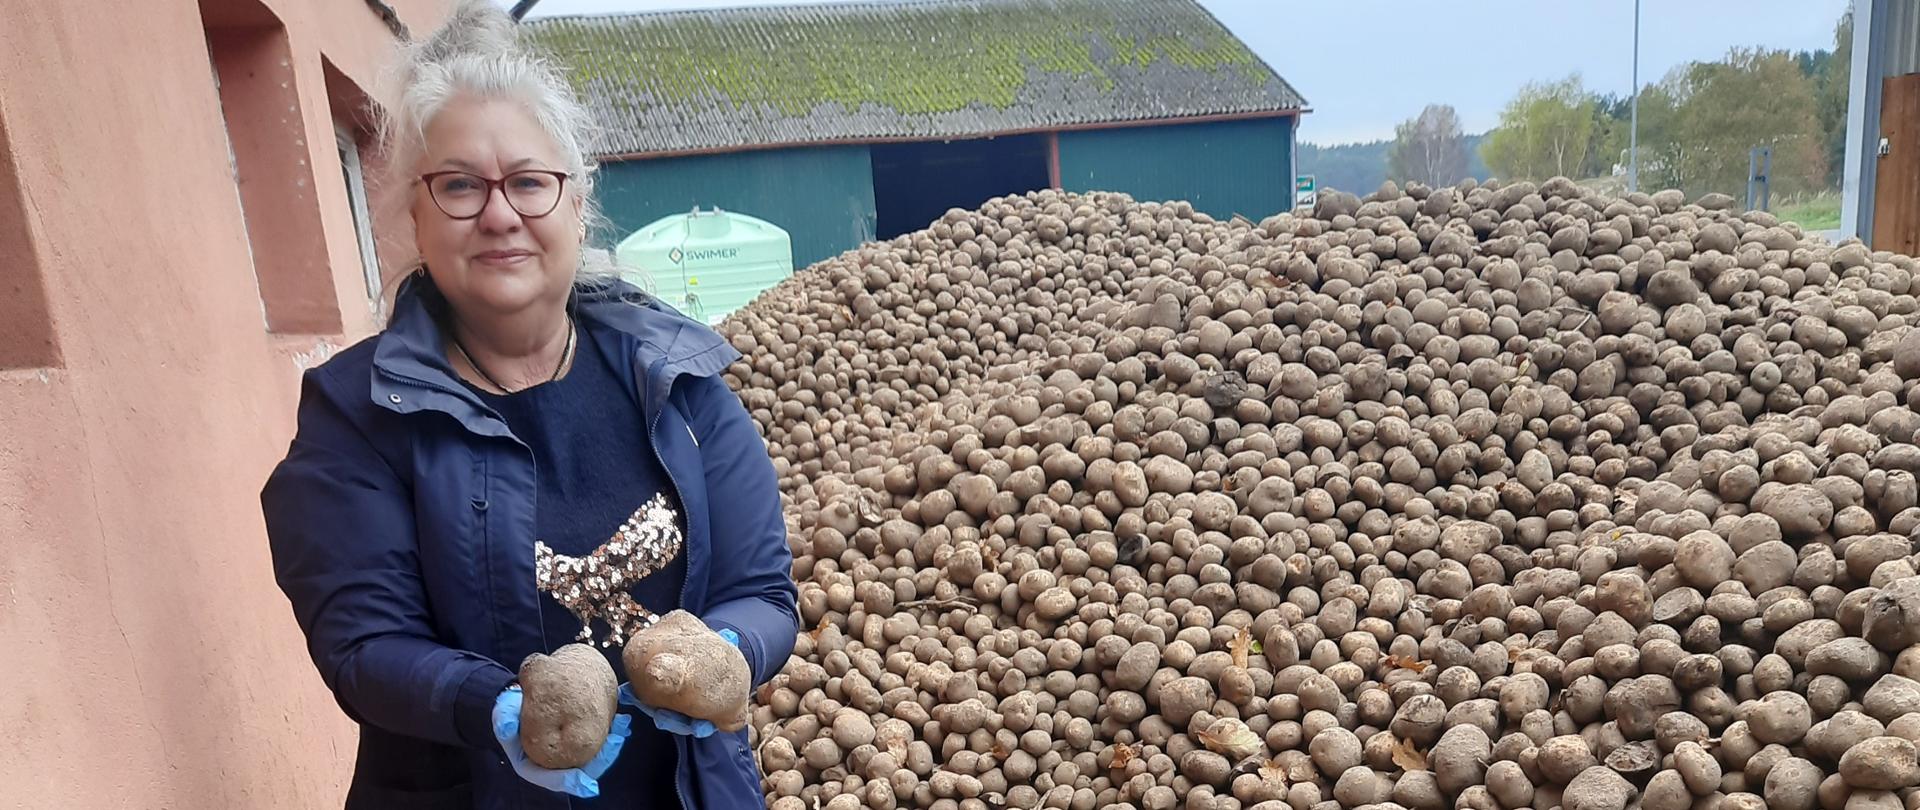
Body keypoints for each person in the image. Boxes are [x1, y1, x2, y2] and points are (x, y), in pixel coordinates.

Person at [259, 3, 797, 807]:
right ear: (416, 211)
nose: (500, 214)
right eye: (460, 186)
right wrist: (495, 710)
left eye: (528, 182)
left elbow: (764, 591)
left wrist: (728, 654)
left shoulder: (678, 380)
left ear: (576, 203)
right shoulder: (356, 415)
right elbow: (364, 644)